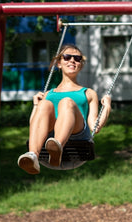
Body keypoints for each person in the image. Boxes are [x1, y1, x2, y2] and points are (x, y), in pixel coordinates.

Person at [17, 44, 112, 174]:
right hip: (49, 135)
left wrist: (107, 106)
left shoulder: (88, 93)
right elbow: (34, 124)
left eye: (77, 58)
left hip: (78, 135)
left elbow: (95, 126)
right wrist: (36, 105)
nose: (72, 60)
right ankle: (33, 156)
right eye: (67, 57)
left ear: (80, 65)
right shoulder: (48, 94)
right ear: (59, 64)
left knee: (66, 102)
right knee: (45, 105)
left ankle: (58, 146)